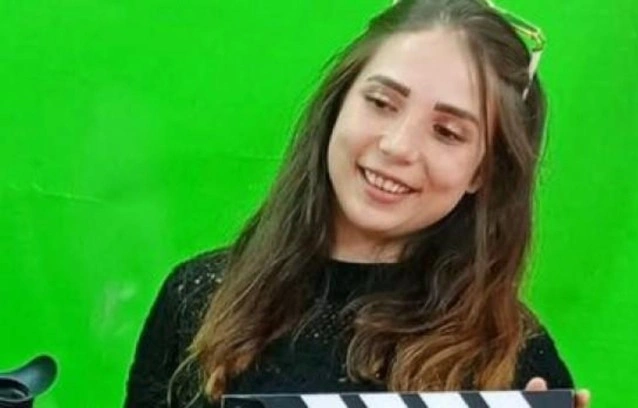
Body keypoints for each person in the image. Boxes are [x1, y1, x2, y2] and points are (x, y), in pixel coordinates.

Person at [125, 0, 591, 407]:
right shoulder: (198, 298)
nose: (397, 146)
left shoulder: (515, 358)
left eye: (447, 132)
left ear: (482, 172)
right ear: (339, 104)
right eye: (382, 103)